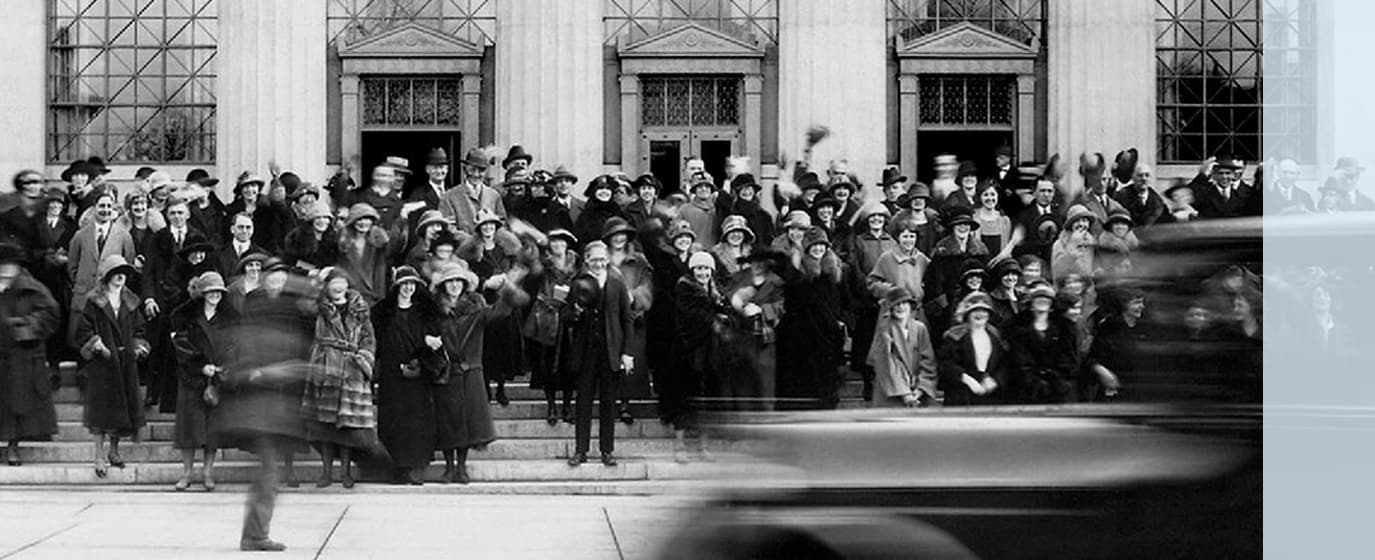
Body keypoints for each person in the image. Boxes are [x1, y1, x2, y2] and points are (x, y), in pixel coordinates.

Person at [432, 262, 525, 482]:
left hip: (471, 373)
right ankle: (449, 467)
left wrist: (508, 288)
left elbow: (501, 311)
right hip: (445, 372)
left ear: (464, 285)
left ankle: (461, 467)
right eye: (450, 282)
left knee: (468, 421)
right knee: (447, 421)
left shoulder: (476, 309)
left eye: (458, 281)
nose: (454, 285)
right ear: (443, 285)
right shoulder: (435, 312)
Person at [300, 268, 378, 489]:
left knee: (348, 425)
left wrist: (364, 358)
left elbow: (369, 338)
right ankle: (326, 472)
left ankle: (345, 472)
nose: (337, 287)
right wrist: (317, 281)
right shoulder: (319, 306)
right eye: (333, 283)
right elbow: (303, 306)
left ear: (348, 285)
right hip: (326, 366)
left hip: (352, 368)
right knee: (324, 424)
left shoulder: (360, 309)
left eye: (341, 282)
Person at [74, 255, 149, 477]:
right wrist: (96, 344)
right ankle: (99, 455)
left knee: (122, 407)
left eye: (124, 273)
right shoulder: (94, 301)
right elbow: (83, 329)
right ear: (107, 276)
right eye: (116, 273)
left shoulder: (131, 301)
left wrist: (138, 346)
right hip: (103, 364)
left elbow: (140, 330)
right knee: (100, 411)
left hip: (125, 363)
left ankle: (114, 451)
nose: (120, 277)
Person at [564, 242, 634, 467]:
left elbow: (627, 319)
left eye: (602, 259)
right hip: (586, 351)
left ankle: (607, 450)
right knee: (583, 402)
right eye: (594, 260)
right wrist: (575, 313)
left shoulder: (617, 284)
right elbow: (567, 316)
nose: (599, 264)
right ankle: (580, 450)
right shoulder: (578, 284)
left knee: (608, 403)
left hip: (610, 351)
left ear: (608, 260)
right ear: (586, 260)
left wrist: (627, 352)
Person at [372, 266, 443, 485]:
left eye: (412, 284)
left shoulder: (424, 312)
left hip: (417, 372)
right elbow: (376, 341)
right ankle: (396, 468)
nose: (408, 288)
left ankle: (415, 467)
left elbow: (436, 339)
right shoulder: (383, 312)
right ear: (396, 286)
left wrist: (425, 346)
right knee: (392, 419)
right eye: (404, 284)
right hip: (391, 373)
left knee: (417, 421)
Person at [169, 271, 236, 491]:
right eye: (211, 291)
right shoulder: (187, 317)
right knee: (189, 429)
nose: (215, 295)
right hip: (192, 379)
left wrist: (223, 367)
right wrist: (199, 366)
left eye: (218, 291)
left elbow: (234, 347)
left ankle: (208, 473)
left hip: (216, 379)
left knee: (212, 430)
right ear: (203, 293)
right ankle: (187, 473)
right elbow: (180, 344)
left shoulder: (227, 319)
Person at [0, 244, 61, 466]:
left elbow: (50, 313)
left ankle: (13, 447)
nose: (5, 270)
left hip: (21, 357)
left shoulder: (32, 288)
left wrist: (25, 327)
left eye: (9, 265)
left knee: (17, 404)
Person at [775, 227, 847, 410]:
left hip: (828, 337)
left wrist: (838, 324)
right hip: (802, 338)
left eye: (822, 245)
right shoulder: (798, 274)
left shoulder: (834, 272)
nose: (818, 248)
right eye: (814, 245)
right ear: (806, 248)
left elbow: (843, 302)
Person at [666, 251, 728, 462]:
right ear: (693, 270)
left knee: (707, 400)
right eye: (699, 268)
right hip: (688, 352)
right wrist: (716, 319)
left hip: (710, 354)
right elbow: (692, 316)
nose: (703, 273)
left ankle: (703, 446)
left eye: (706, 269)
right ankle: (680, 445)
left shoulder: (715, 291)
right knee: (684, 399)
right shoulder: (685, 288)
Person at [459, 210, 524, 406]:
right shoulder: (470, 253)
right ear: (479, 229)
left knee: (504, 347)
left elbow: (520, 270)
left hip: (504, 303)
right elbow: (466, 278)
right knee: (485, 347)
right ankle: (485, 387)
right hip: (483, 303)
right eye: (484, 225)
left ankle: (502, 388)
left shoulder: (507, 250)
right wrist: (485, 283)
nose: (488, 228)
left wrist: (510, 280)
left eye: (491, 225)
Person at [67, 192, 138, 349]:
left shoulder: (123, 236)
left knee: (107, 343)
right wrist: (83, 282)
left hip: (110, 297)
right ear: (94, 208)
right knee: (81, 343)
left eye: (109, 206)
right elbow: (72, 266)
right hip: (83, 296)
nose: (105, 210)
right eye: (102, 206)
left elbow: (129, 264)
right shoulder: (80, 235)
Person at [525, 230, 579, 424]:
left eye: (562, 242)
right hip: (548, 319)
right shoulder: (543, 267)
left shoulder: (577, 265)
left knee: (570, 366)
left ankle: (567, 406)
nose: (558, 245)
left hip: (571, 320)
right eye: (554, 242)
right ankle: (551, 406)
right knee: (548, 365)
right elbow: (532, 288)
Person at [603, 220, 655, 423]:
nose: (619, 238)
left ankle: (625, 404)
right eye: (614, 235)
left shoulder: (639, 260)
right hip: (606, 317)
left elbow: (647, 285)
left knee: (630, 361)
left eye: (622, 234)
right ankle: (608, 401)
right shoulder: (600, 257)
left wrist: (634, 296)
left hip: (633, 317)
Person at [1002, 283, 1079, 403]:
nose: (1042, 302)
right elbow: (1018, 360)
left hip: (1059, 389)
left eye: (1046, 300)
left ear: (1052, 306)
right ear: (1031, 305)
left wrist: (1055, 378)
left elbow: (1069, 359)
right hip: (1026, 390)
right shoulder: (1017, 329)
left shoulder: (1065, 329)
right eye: (1038, 299)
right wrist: (1034, 380)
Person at [866, 286, 937, 408]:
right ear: (890, 308)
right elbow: (886, 363)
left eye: (904, 303)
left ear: (911, 306)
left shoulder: (920, 328)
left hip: (917, 392)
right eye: (896, 304)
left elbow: (928, 360)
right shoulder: (884, 330)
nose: (901, 307)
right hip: (891, 393)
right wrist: (904, 392)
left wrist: (922, 387)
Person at [937, 291, 1007, 406]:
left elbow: (1004, 364)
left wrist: (995, 381)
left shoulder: (996, 336)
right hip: (961, 395)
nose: (980, 314)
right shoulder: (954, 336)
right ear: (967, 313)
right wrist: (967, 380)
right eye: (975, 310)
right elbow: (946, 364)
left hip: (990, 396)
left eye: (984, 310)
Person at [1083, 286, 1149, 401]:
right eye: (1136, 303)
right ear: (1123, 305)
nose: (1141, 306)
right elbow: (1092, 359)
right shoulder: (1108, 328)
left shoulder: (1146, 327)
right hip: (1115, 390)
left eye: (1142, 302)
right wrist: (1103, 372)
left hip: (1144, 388)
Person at [440, 148, 508, 233]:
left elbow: (502, 224)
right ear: (464, 169)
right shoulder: (450, 197)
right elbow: (448, 227)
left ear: (486, 171)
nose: (476, 174)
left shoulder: (494, 196)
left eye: (481, 170)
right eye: (472, 169)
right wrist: (470, 240)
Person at [282, 199, 340, 275]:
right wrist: (307, 272)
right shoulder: (297, 237)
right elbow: (289, 264)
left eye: (325, 217)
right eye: (318, 217)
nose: (322, 221)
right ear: (311, 220)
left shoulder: (334, 239)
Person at [574, 175, 627, 247]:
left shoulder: (620, 213)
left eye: (608, 188)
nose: (604, 191)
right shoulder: (585, 216)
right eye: (600, 188)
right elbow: (580, 243)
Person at [1051, 205, 1097, 282]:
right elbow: (1058, 272)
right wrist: (1073, 245)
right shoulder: (1060, 244)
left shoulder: (1092, 243)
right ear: (1071, 225)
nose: (1081, 224)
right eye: (1077, 221)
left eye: (1084, 221)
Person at [1113, 163, 1167, 227]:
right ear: (1132, 178)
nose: (1144, 179)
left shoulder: (1158, 202)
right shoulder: (1120, 197)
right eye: (1140, 175)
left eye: (1147, 175)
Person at [213, 213, 266, 278]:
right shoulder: (218, 255)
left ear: (253, 229)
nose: (244, 231)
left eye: (248, 227)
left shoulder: (262, 255)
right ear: (232, 229)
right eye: (241, 227)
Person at [679, 177, 720, 247]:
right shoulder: (684, 209)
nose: (703, 189)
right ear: (694, 190)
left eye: (707, 186)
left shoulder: (718, 209)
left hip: (715, 251)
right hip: (692, 251)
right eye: (700, 187)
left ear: (711, 190)